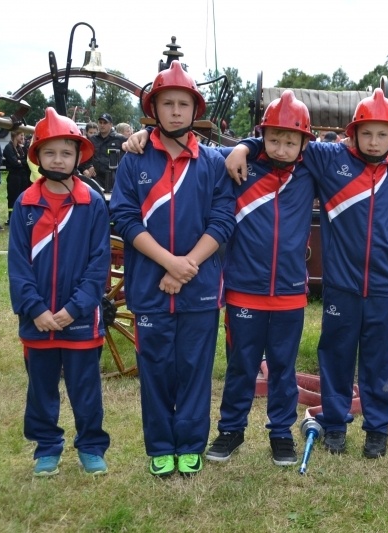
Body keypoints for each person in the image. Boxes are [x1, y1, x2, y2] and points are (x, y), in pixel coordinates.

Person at [225, 89, 388, 459]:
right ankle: (334, 423)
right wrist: (244, 146)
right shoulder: (329, 158)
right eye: (367, 133)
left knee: (380, 360)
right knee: (336, 355)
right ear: (352, 132)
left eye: (383, 134)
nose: (374, 142)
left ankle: (377, 429)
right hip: (342, 284)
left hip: (386, 285)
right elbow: (282, 139)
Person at [110, 61, 236, 477]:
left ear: (195, 110)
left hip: (199, 286)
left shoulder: (214, 162)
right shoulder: (135, 157)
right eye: (168, 103)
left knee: (195, 369)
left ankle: (190, 444)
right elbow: (125, 219)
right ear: (155, 109)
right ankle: (161, 445)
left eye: (184, 103)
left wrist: (188, 265)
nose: (177, 111)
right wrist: (170, 263)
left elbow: (222, 221)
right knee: (156, 368)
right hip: (150, 284)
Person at [206, 90, 316, 467]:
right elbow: (196, 152)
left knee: (284, 368)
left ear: (304, 142)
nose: (282, 148)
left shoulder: (311, 169)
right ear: (262, 136)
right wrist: (243, 148)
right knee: (241, 365)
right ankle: (230, 431)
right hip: (243, 290)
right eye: (273, 139)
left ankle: (281, 434)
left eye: (290, 141)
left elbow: (352, 155)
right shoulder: (238, 165)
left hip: (289, 292)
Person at [7, 107, 111, 477]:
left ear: (78, 156)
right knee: (41, 390)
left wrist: (76, 308)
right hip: (37, 321)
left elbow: (99, 264)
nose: (58, 159)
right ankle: (47, 446)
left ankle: (91, 446)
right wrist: (35, 309)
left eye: (66, 152)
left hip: (80, 321)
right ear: (37, 156)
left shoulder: (92, 204)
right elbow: (18, 264)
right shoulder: (25, 205)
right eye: (50, 152)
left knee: (86, 390)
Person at [80, 112, 126, 192]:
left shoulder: (120, 139)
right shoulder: (92, 140)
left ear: (111, 125)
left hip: (113, 179)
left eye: (105, 123)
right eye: (100, 122)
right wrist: (88, 167)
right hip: (96, 179)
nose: (102, 125)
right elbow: (84, 157)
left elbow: (127, 158)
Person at [3, 130, 32, 226]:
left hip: (24, 176)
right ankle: (11, 218)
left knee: (23, 197)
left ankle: (22, 218)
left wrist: (21, 161)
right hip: (14, 177)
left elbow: (27, 161)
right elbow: (14, 163)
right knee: (13, 198)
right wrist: (20, 162)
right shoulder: (9, 148)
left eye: (23, 135)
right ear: (15, 135)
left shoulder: (22, 149)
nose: (23, 137)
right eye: (21, 135)